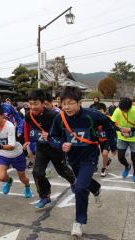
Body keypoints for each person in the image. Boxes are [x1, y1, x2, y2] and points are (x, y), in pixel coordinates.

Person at [49, 86, 117, 237]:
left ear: (79, 102)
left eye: (70, 103)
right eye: (63, 103)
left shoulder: (91, 115)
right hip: (73, 158)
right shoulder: (60, 118)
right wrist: (61, 144)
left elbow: (110, 125)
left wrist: (112, 143)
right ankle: (96, 188)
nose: (66, 107)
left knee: (79, 187)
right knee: (82, 181)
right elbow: (52, 137)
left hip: (89, 157)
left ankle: (79, 222)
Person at [24, 89, 76, 209]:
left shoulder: (53, 115)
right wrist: (27, 139)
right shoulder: (29, 116)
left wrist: (52, 135)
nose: (32, 106)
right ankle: (45, 196)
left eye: (35, 103)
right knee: (37, 172)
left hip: (55, 148)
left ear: (43, 103)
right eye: (30, 103)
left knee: (62, 170)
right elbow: (27, 125)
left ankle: (74, 182)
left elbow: (65, 131)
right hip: (41, 148)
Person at [0, 101, 33, 198]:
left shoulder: (10, 126)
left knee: (22, 177)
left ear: (2, 115)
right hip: (2, 154)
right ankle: (9, 181)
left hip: (16, 154)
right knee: (2, 177)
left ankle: (27, 187)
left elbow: (11, 146)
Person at [111, 97, 135, 182]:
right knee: (120, 157)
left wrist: (130, 130)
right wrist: (121, 130)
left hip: (134, 138)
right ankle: (127, 166)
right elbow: (111, 124)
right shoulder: (118, 110)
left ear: (130, 107)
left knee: (134, 158)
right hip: (122, 136)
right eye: (122, 109)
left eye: (125, 110)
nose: (123, 111)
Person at [93, 103, 113, 177]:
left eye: (100, 111)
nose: (99, 113)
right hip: (98, 139)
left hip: (107, 139)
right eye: (97, 111)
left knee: (104, 154)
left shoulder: (109, 119)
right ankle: (107, 160)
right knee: (93, 152)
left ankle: (103, 169)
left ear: (105, 111)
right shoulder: (93, 120)